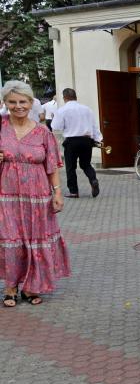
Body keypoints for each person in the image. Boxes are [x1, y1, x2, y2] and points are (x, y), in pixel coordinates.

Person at [0, 80, 70, 307]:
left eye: (23, 101)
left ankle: (31, 286)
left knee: (36, 239)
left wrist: (57, 193)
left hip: (37, 197)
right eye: (12, 102)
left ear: (31, 103)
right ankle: (11, 286)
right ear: (5, 103)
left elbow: (52, 166)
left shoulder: (42, 132)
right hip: (6, 196)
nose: (18, 106)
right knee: (10, 239)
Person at [53, 88, 102, 198]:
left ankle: (74, 192)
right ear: (75, 97)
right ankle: (93, 179)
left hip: (72, 141)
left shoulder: (62, 110)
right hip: (86, 140)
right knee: (86, 164)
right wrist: (98, 139)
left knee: (70, 167)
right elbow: (94, 125)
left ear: (64, 97)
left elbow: (56, 126)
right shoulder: (87, 109)